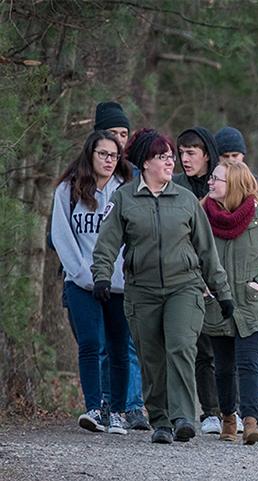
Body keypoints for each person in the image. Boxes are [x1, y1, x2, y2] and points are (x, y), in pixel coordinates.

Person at [92, 128, 233, 444]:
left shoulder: (185, 200)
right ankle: (161, 421)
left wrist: (222, 293)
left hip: (184, 287)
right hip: (142, 290)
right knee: (152, 356)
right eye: (163, 157)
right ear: (145, 163)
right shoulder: (124, 198)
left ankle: (182, 416)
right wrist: (101, 276)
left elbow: (206, 250)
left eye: (172, 156)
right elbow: (106, 244)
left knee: (180, 346)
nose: (172, 162)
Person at [201, 159, 258, 443]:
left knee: (249, 364)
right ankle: (229, 420)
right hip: (218, 305)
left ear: (234, 185)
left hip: (252, 306)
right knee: (224, 367)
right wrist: (202, 284)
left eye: (216, 179)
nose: (210, 183)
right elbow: (190, 253)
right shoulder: (202, 215)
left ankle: (251, 422)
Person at [51, 130, 133, 435]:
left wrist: (119, 274)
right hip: (81, 281)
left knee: (118, 347)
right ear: (90, 154)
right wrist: (85, 275)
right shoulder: (68, 190)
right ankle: (94, 408)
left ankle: (119, 411)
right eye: (103, 154)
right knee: (90, 343)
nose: (109, 160)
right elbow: (61, 236)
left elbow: (131, 237)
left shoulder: (125, 190)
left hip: (118, 282)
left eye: (114, 155)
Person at [91, 101, 151, 431]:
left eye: (124, 133)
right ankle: (103, 403)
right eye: (112, 133)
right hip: (95, 278)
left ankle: (132, 405)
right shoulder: (81, 178)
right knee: (100, 344)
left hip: (131, 275)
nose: (118, 140)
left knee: (130, 343)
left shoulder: (138, 178)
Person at [175, 126, 224, 435]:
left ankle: (214, 411)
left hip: (215, 274)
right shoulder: (175, 185)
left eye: (191, 153)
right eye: (180, 153)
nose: (185, 158)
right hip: (181, 274)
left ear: (206, 155)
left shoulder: (220, 185)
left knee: (210, 347)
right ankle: (176, 410)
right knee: (178, 346)